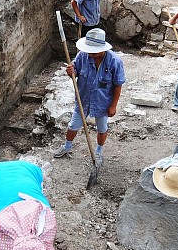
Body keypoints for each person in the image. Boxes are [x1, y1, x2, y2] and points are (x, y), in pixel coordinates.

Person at [53, 28, 125, 164]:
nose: (90, 54)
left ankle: (98, 151)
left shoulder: (115, 62)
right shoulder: (82, 56)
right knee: (73, 125)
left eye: (94, 52)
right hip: (83, 99)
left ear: (102, 48)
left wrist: (113, 105)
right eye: (89, 51)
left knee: (102, 128)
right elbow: (75, 71)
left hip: (103, 102)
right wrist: (71, 71)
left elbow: (118, 85)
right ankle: (67, 146)